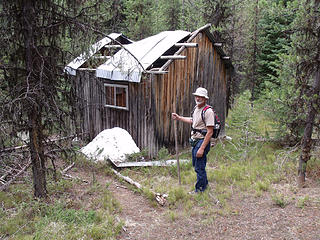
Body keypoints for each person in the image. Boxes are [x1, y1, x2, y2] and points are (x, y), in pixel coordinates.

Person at [172, 87, 214, 194]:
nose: (198, 98)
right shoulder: (196, 108)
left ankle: (199, 190)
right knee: (197, 165)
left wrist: (202, 148)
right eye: (197, 96)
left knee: (199, 167)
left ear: (205, 99)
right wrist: (179, 118)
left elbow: (210, 132)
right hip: (195, 140)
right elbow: (193, 121)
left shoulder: (208, 111)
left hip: (202, 141)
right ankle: (204, 184)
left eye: (201, 97)